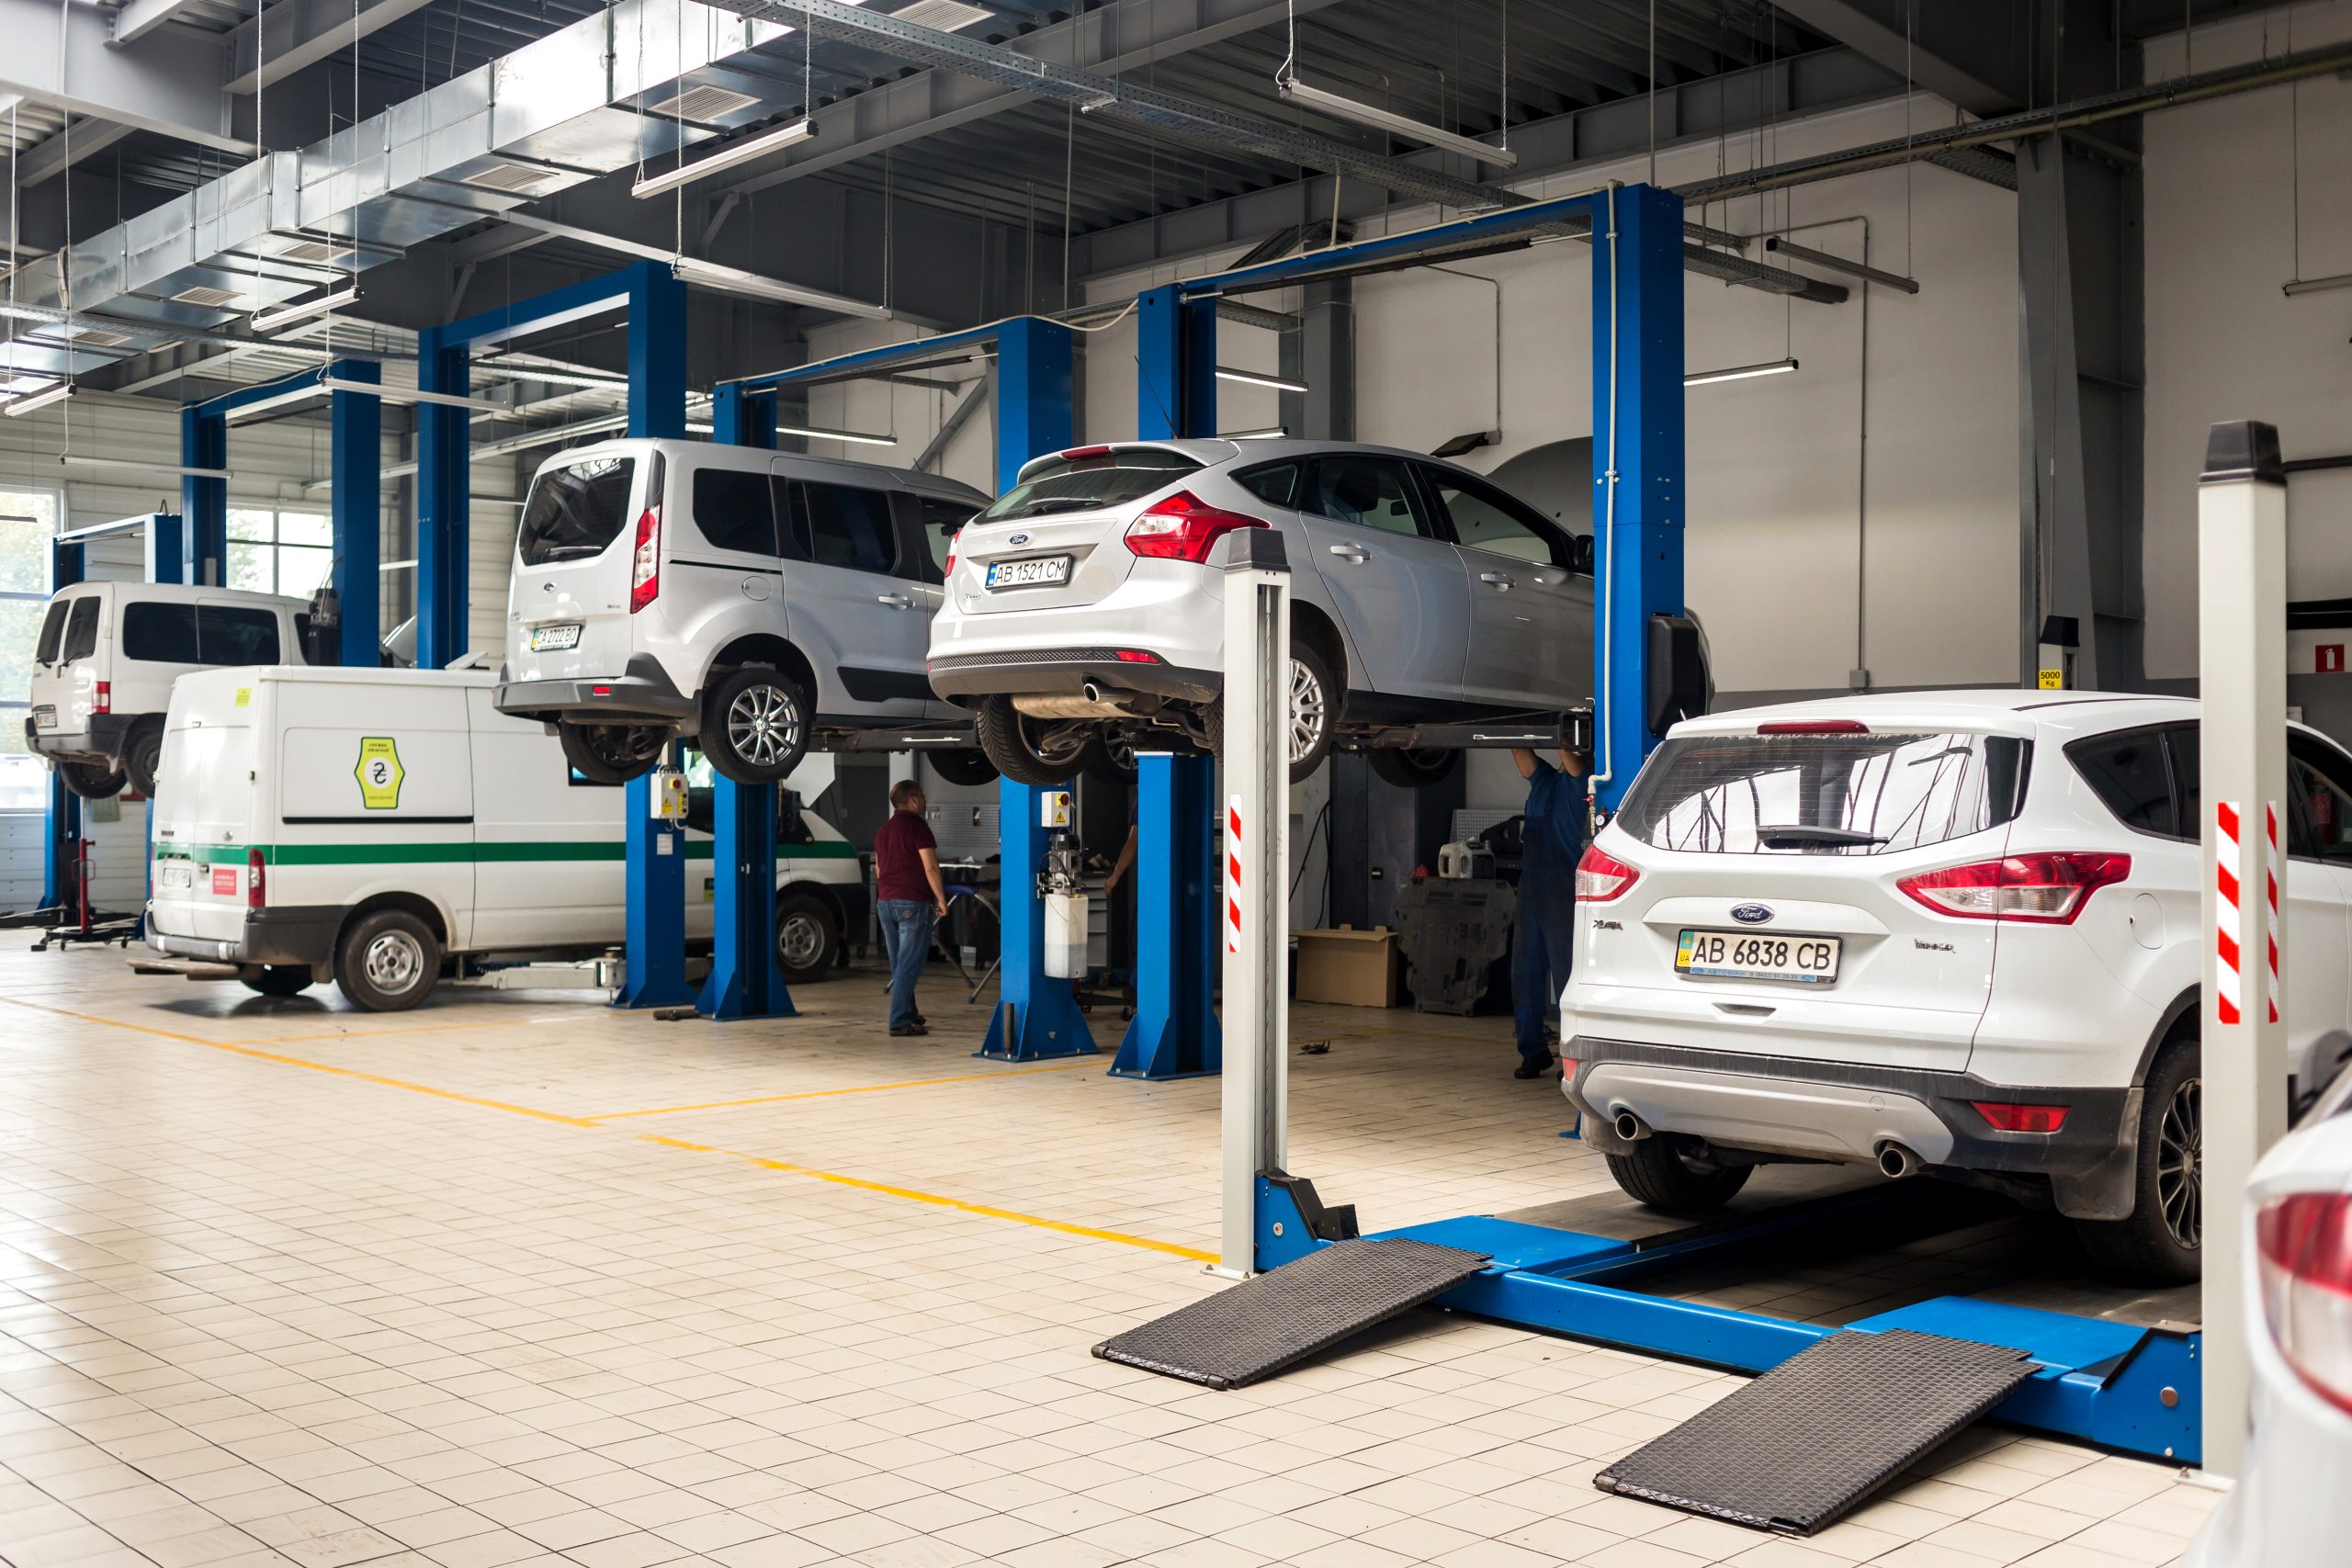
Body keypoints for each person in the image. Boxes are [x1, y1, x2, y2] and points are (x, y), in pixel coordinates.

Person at [1510, 745, 1591, 1079]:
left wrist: (1556, 725)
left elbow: (1572, 760)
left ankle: (1572, 1057)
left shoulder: (1580, 779)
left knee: (1565, 975)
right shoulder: (1543, 779)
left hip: (1561, 887)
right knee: (1524, 974)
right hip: (1531, 887)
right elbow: (1521, 755)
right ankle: (1533, 1052)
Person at [873, 779, 948, 1037]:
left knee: (900, 963)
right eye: (922, 796)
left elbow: (879, 869)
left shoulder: (883, 830)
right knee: (909, 964)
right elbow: (931, 867)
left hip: (885, 903)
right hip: (912, 903)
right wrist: (941, 898)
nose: (925, 800)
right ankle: (899, 1021)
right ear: (913, 800)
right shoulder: (918, 827)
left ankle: (910, 1011)